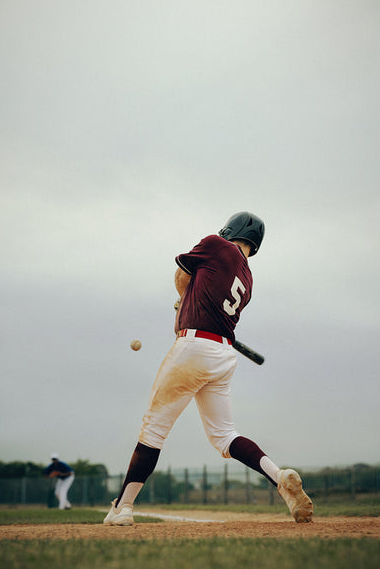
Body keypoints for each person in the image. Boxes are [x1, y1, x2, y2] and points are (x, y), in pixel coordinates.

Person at [104, 212, 313, 526]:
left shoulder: (216, 245)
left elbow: (181, 276)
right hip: (223, 354)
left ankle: (123, 508)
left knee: (154, 429)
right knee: (225, 435)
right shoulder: (249, 279)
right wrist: (184, 307)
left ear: (231, 230)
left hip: (195, 347)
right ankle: (278, 476)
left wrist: (181, 299)